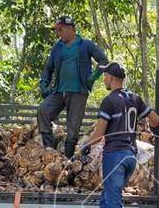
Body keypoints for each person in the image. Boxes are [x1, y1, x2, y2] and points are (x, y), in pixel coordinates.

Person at [79, 62, 159, 208]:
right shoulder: (135, 98)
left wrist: (85, 147)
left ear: (112, 78)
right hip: (131, 156)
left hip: (114, 155)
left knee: (113, 200)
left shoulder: (109, 101)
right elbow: (156, 120)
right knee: (106, 198)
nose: (104, 79)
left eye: (105, 76)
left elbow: (99, 133)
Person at [38, 15, 109, 158]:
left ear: (70, 29)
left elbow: (103, 60)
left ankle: (68, 161)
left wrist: (93, 77)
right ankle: (49, 151)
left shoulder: (85, 45)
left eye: (60, 29)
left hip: (78, 92)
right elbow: (49, 67)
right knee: (43, 111)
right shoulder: (57, 47)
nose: (58, 33)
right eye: (57, 30)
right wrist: (44, 83)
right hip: (59, 91)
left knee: (73, 128)